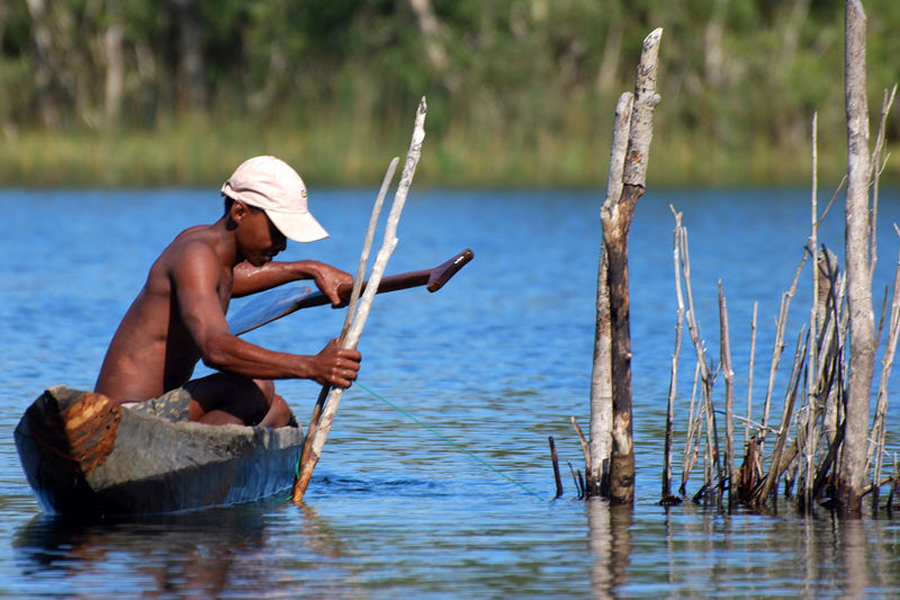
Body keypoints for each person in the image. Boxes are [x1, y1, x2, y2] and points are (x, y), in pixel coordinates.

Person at [94, 155, 362, 428]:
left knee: (277, 413)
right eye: (276, 230)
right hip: (125, 419)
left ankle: (208, 462)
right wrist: (312, 367)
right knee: (256, 387)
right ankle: (193, 463)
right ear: (240, 212)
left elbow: (229, 280)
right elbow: (215, 349)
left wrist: (310, 269)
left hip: (155, 414)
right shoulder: (195, 255)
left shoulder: (208, 251)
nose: (282, 244)